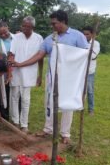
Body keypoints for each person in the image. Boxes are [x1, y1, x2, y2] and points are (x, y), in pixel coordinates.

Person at [12, 10, 88, 144]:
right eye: (51, 24)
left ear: (63, 22)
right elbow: (39, 56)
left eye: (55, 23)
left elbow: (84, 56)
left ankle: (65, 133)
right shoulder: (50, 39)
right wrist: (20, 64)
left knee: (67, 104)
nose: (52, 26)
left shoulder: (78, 36)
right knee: (49, 102)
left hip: (70, 78)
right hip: (52, 77)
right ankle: (48, 129)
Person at [9, 16, 43, 132]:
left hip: (30, 73)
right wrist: (10, 67)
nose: (24, 28)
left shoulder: (38, 38)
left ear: (32, 27)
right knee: (14, 97)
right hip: (16, 72)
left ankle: (24, 124)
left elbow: (40, 57)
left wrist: (40, 74)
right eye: (23, 26)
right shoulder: (16, 37)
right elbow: (11, 53)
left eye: (27, 26)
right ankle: (15, 121)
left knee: (26, 99)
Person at [0, 22, 14, 122]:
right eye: (1, 34)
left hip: (16, 70)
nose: (3, 35)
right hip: (2, 72)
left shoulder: (16, 39)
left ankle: (12, 115)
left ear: (8, 28)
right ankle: (0, 116)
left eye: (5, 32)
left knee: (14, 94)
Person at [82, 26, 100, 116]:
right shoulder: (80, 42)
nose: (85, 36)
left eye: (87, 34)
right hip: (80, 71)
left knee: (89, 91)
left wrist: (85, 50)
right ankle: (79, 106)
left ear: (92, 34)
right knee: (79, 90)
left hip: (89, 72)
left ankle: (91, 109)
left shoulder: (95, 44)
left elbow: (93, 56)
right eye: (83, 34)